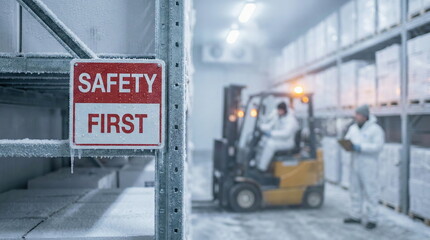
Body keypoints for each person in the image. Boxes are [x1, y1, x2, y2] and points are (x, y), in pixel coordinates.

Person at [343, 104, 385, 230]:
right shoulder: (353, 128)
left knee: (370, 191)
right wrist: (347, 145)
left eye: (358, 115)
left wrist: (361, 148)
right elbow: (347, 139)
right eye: (356, 114)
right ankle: (356, 215)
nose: (356, 117)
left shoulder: (375, 129)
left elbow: (378, 147)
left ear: (365, 116)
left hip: (369, 165)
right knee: (355, 191)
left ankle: (372, 218)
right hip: (355, 163)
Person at [257, 102, 299, 171]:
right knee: (263, 141)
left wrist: (271, 133)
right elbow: (271, 125)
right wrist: (261, 127)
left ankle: (262, 168)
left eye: (280, 110)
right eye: (278, 110)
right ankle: (257, 163)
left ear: (284, 110)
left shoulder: (290, 120)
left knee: (270, 144)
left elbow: (286, 134)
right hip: (280, 140)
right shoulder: (279, 117)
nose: (278, 112)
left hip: (287, 142)